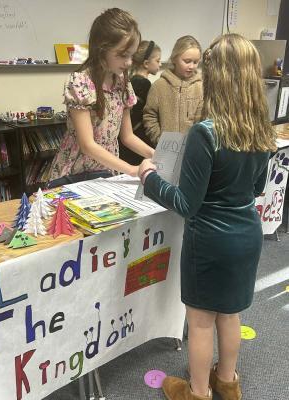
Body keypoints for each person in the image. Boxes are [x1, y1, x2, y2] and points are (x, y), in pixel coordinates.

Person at [138, 33, 277, 400]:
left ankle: (197, 392)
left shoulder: (206, 132)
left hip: (210, 241)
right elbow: (258, 187)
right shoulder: (262, 129)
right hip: (247, 234)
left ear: (218, 76)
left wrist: (149, 178)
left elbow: (186, 203)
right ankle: (227, 383)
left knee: (200, 323)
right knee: (230, 315)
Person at [48, 8, 154, 188]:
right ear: (101, 50)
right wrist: (132, 169)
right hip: (74, 174)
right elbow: (87, 145)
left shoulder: (123, 84)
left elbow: (127, 136)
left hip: (106, 173)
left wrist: (155, 155)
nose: (129, 62)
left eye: (131, 55)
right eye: (122, 55)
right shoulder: (81, 82)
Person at [143, 35, 203, 146]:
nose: (191, 66)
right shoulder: (159, 86)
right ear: (174, 58)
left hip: (192, 151)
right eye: (187, 61)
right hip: (164, 151)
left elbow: (202, 122)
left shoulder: (201, 88)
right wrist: (159, 140)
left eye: (196, 62)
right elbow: (150, 116)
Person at [119, 40, 161, 164]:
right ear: (146, 63)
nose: (160, 65)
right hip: (139, 139)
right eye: (158, 61)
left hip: (130, 138)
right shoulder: (144, 84)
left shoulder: (132, 80)